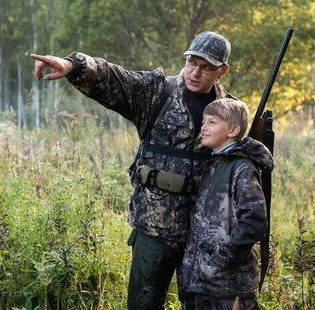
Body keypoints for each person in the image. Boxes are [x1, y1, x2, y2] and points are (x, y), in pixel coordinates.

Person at [31, 31, 235, 309]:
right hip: (155, 226)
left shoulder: (231, 113)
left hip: (206, 231)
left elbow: (244, 167)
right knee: (143, 303)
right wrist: (73, 65)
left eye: (206, 67)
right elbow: (113, 78)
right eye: (191, 62)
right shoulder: (157, 92)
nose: (195, 72)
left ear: (222, 70)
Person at [179, 98, 274, 310]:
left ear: (232, 130)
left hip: (228, 287)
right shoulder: (211, 164)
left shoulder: (242, 169)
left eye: (212, 122)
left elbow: (254, 222)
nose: (203, 127)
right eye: (203, 122)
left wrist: (218, 260)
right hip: (201, 284)